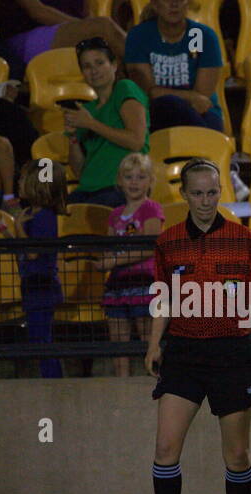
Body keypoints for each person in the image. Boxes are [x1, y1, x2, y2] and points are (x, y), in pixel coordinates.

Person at [138, 158, 251, 494]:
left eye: (212, 192)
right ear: (183, 194)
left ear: (222, 192)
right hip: (183, 354)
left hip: (232, 354)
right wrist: (154, 345)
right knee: (165, 447)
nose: (205, 200)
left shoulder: (245, 240)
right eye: (197, 193)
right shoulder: (167, 242)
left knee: (236, 455)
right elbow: (163, 298)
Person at [91, 151, 163, 377]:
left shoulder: (151, 208)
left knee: (146, 338)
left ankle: (155, 382)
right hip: (117, 285)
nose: (134, 182)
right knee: (118, 342)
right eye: (129, 177)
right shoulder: (115, 214)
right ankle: (120, 384)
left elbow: (148, 246)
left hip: (143, 282)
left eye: (140, 177)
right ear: (120, 181)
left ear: (150, 181)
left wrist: (113, 260)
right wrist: (104, 261)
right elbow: (111, 246)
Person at [0, 158, 67, 379]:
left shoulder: (44, 216)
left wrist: (18, 225)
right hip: (31, 285)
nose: (18, 183)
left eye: (24, 179)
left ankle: (53, 380)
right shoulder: (30, 214)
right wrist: (8, 232)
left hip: (42, 286)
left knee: (42, 339)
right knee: (37, 337)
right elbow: (22, 248)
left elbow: (33, 252)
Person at [64, 35, 149, 207]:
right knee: (51, 217)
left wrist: (91, 124)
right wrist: (72, 137)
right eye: (87, 66)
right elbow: (80, 172)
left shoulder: (124, 88)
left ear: (114, 65)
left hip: (121, 188)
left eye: (100, 63)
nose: (94, 70)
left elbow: (136, 141)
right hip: (87, 190)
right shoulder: (85, 111)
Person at [125, 0, 225, 133]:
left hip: (202, 114)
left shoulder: (201, 36)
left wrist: (165, 94)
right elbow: (149, 93)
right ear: (155, 4)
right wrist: (189, 97)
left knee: (207, 128)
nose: (174, 4)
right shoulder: (139, 36)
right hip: (155, 112)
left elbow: (202, 99)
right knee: (166, 105)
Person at [0, 0, 125, 79]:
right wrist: (85, 28)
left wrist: (86, 28)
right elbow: (38, 12)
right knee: (104, 28)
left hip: (68, 33)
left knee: (113, 54)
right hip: (25, 40)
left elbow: (88, 15)